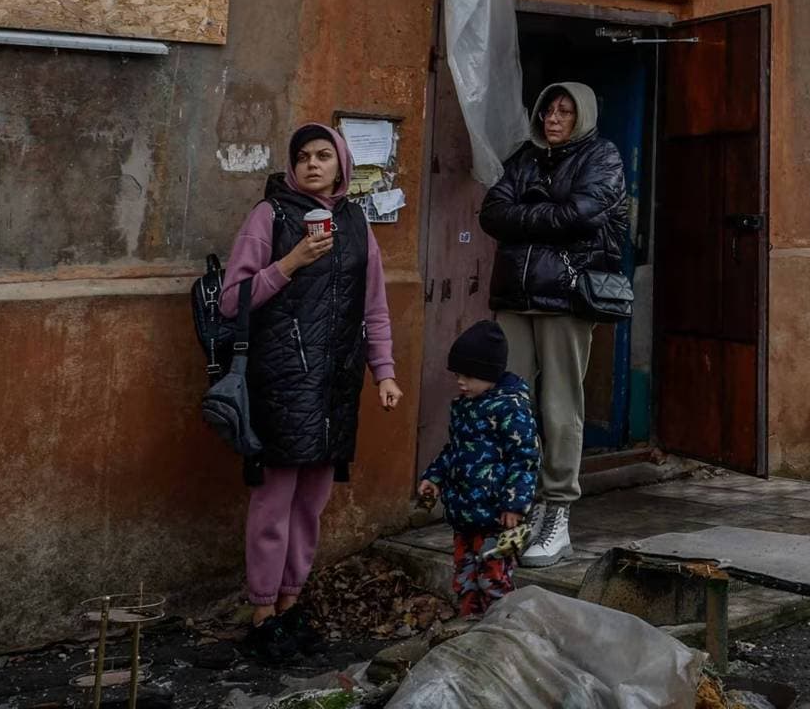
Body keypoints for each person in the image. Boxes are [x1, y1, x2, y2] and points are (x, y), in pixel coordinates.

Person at [220, 123, 403, 661]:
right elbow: (232, 301)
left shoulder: (354, 223)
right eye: (303, 157)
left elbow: (374, 308)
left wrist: (384, 373)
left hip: (334, 387)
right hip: (280, 383)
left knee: (311, 504)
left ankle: (291, 604)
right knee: (273, 502)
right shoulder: (269, 216)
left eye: (324, 156)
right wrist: (291, 262)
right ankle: (261, 613)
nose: (312, 165)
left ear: (342, 165)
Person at [479, 82, 629, 568]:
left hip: (566, 297)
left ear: (581, 115)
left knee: (561, 404)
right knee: (510, 404)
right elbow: (492, 212)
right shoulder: (524, 156)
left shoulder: (601, 157)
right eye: (548, 110)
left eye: (565, 112)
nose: (553, 120)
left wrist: (523, 217)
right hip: (514, 296)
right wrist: (545, 215)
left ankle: (557, 513)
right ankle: (516, 511)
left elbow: (584, 213)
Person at [415, 320, 541, 615]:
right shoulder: (464, 407)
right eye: (458, 374)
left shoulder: (511, 409)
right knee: (465, 577)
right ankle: (468, 626)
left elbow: (525, 458)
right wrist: (434, 477)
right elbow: (455, 450)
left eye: (469, 376)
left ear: (490, 374)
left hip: (496, 518)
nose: (461, 382)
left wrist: (515, 504)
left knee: (493, 578)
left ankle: (499, 629)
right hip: (464, 515)